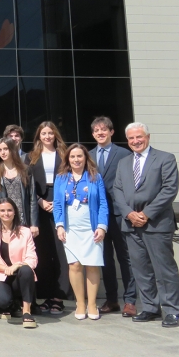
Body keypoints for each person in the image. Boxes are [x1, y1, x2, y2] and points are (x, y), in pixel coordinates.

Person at [113, 122, 179, 327]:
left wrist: (147, 213)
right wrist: (129, 213)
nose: (135, 141)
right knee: (141, 269)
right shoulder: (124, 163)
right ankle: (151, 307)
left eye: (139, 137)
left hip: (157, 224)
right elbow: (117, 190)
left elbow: (169, 189)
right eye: (131, 138)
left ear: (148, 137)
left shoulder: (165, 158)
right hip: (131, 225)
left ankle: (172, 311)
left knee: (164, 269)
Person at [53, 144, 108, 320]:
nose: (76, 160)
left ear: (85, 158)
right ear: (68, 159)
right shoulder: (61, 178)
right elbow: (57, 204)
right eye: (72, 157)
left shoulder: (95, 177)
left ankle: (92, 303)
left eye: (79, 156)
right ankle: (80, 303)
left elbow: (102, 203)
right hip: (70, 227)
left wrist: (101, 226)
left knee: (92, 264)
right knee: (74, 265)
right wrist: (59, 225)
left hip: (91, 227)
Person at [89, 117, 136, 317]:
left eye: (104, 130)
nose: (100, 133)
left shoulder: (124, 154)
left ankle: (130, 301)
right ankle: (111, 299)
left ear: (111, 132)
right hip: (99, 216)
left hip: (119, 213)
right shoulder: (88, 155)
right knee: (105, 259)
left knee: (125, 258)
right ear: (93, 134)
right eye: (96, 131)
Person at [26, 121, 69, 314]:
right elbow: (26, 186)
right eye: (43, 133)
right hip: (39, 205)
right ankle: (46, 295)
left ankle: (58, 297)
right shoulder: (31, 157)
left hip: (62, 203)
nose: (47, 136)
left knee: (61, 252)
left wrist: (58, 202)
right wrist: (40, 201)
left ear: (55, 135)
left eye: (50, 133)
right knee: (42, 253)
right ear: (38, 136)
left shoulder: (65, 155)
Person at [0, 198, 38, 328]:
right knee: (3, 300)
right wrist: (5, 268)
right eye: (2, 210)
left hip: (19, 275)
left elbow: (32, 258)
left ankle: (26, 312)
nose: (6, 213)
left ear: (15, 212)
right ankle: (7, 304)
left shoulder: (25, 232)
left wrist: (17, 265)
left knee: (26, 269)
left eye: (9, 210)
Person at [0, 138, 38, 232]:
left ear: (13, 149)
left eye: (6, 149)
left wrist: (34, 223)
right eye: (0, 150)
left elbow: (32, 198)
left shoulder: (26, 170)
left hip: (22, 219)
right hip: (2, 219)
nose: (3, 152)